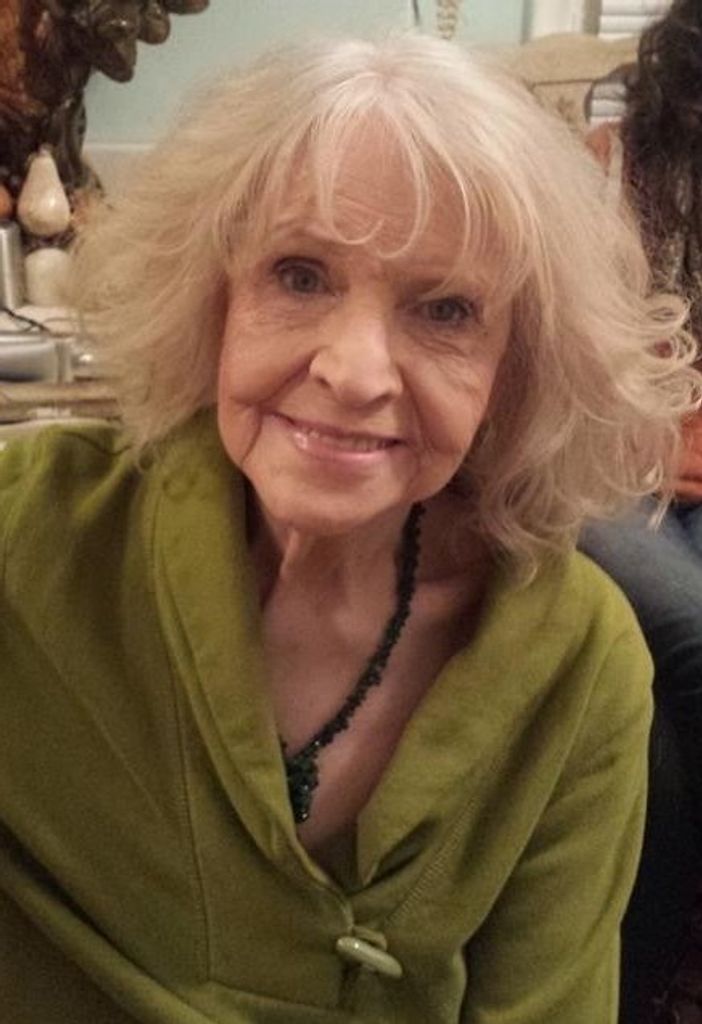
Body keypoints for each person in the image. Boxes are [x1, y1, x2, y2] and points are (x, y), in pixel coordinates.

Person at [0, 33, 698, 1024]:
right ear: (214, 294)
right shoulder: (31, 532)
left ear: (518, 367)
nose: (357, 371)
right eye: (300, 275)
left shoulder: (576, 667)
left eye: (446, 309)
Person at [581, 3, 702, 1017]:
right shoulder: (609, 169)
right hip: (612, 476)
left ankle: (640, 982)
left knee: (655, 720)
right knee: (690, 635)